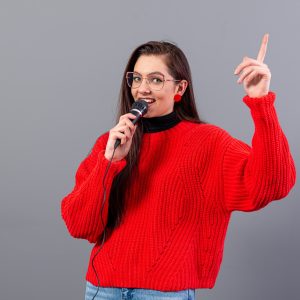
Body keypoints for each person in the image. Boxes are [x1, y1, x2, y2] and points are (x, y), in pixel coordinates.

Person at [60, 34, 296, 300]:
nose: (142, 88)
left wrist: (261, 102)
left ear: (180, 89)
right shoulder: (110, 144)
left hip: (164, 294)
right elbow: (79, 225)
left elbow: (273, 184)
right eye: (136, 78)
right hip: (101, 290)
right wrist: (110, 163)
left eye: (156, 80)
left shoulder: (209, 142)